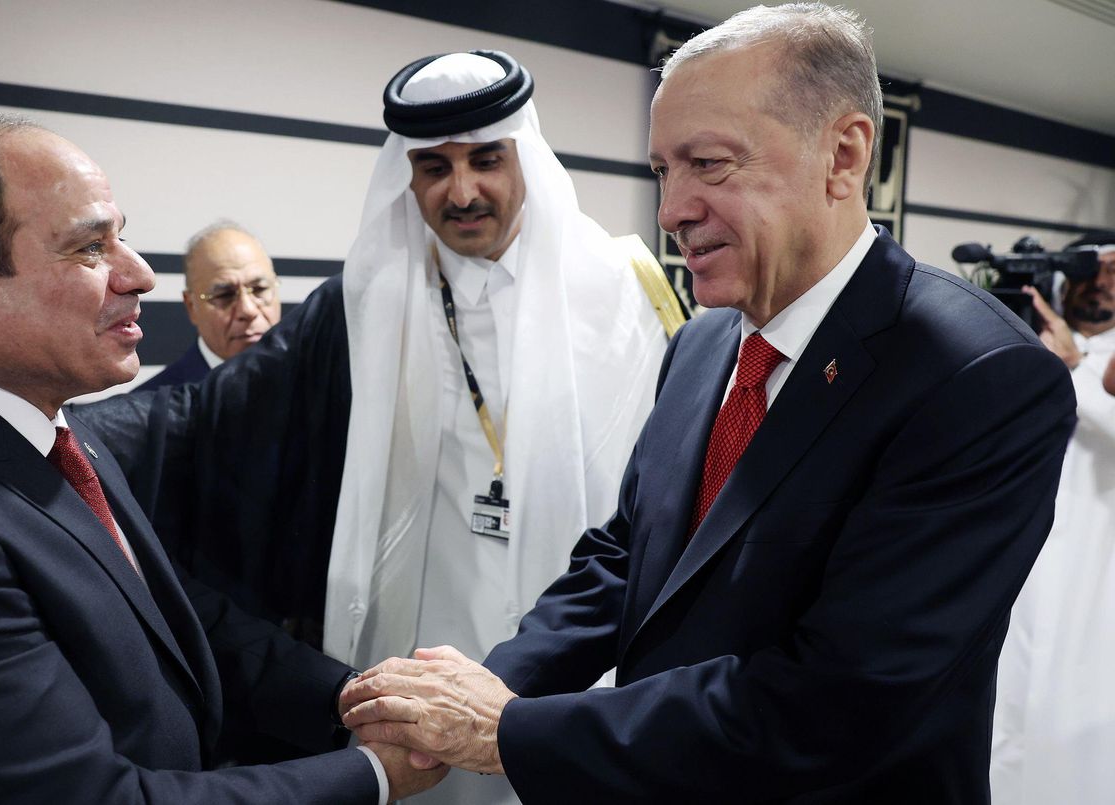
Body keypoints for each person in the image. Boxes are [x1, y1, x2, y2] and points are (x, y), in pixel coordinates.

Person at [339, 5, 1077, 803]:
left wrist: (506, 730)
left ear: (844, 154)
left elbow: (839, 699)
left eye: (710, 164)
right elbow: (628, 559)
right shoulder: (703, 343)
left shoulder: (978, 376)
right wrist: (481, 685)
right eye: (663, 170)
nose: (671, 211)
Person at [0, 112, 442, 803]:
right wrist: (373, 774)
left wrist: (354, 695)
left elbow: (150, 614)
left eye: (123, 238)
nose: (138, 275)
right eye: (89, 248)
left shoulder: (43, 426)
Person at [67, 49, 677, 804]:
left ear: (525, 153)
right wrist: (47, 422)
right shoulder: (363, 303)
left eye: (486, 159)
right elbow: (203, 416)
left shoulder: (623, 292)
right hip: (418, 639)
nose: (462, 190)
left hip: (573, 643)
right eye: (433, 168)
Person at [992, 233, 1115, 803]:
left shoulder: (1100, 366)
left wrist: (1073, 368)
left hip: (1093, 582)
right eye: (1093, 271)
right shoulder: (1020, 343)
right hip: (1017, 568)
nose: (1104, 284)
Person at [137, 221, 282, 390]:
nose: (248, 310)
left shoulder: (315, 382)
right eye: (225, 295)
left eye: (259, 289)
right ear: (191, 306)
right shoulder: (152, 409)